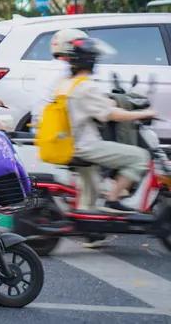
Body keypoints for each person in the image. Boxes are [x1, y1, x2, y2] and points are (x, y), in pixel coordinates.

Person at [49, 35, 152, 213]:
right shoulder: (86, 86)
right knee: (140, 157)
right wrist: (143, 113)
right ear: (91, 62)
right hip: (86, 146)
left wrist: (107, 102)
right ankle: (113, 199)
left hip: (69, 142)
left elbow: (89, 105)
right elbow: (111, 115)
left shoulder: (66, 84)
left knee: (90, 192)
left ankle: (89, 227)